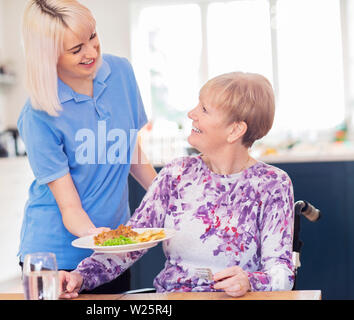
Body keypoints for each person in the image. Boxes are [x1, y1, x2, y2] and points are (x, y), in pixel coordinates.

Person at [58, 72, 295, 298]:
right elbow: (132, 243)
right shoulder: (177, 173)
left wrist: (249, 282)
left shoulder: (272, 184)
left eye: (204, 109)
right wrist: (80, 276)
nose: (192, 114)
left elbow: (281, 273)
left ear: (235, 130)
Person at [17, 0, 157, 293]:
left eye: (93, 37)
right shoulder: (39, 114)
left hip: (112, 254)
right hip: (57, 256)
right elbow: (69, 207)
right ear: (48, 55)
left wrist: (168, 195)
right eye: (76, 49)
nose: (92, 52)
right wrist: (98, 237)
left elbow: (130, 151)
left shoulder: (121, 73)